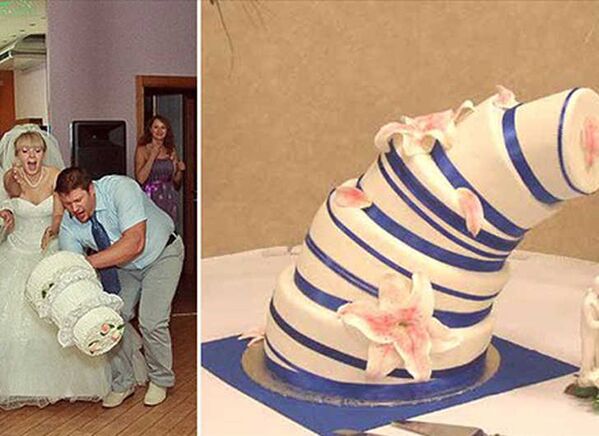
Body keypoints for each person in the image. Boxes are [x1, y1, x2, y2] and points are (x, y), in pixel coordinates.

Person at [0, 124, 110, 409]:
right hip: (16, 252)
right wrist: (8, 211)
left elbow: (59, 213)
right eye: (25, 151)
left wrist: (54, 227)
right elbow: (11, 195)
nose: (32, 156)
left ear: (44, 152)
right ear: (17, 155)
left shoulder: (55, 176)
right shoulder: (11, 177)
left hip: (49, 251)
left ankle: (64, 386)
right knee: (13, 323)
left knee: (57, 316)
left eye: (37, 150)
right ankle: (18, 386)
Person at [56, 167, 184, 408]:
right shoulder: (69, 223)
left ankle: (160, 380)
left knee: (151, 321)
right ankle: (123, 382)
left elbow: (135, 242)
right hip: (124, 267)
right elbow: (74, 268)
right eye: (67, 204)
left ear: (91, 189)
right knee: (111, 319)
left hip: (162, 254)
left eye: (78, 200)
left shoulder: (121, 188)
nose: (74, 209)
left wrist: (88, 262)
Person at [135, 115, 186, 223]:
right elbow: (140, 179)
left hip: (169, 196)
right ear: (150, 129)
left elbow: (176, 181)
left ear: (167, 131)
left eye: (163, 127)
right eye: (156, 127)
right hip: (151, 196)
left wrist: (180, 170)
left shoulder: (171, 149)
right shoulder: (142, 149)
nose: (159, 131)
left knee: (169, 228)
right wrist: (152, 156)